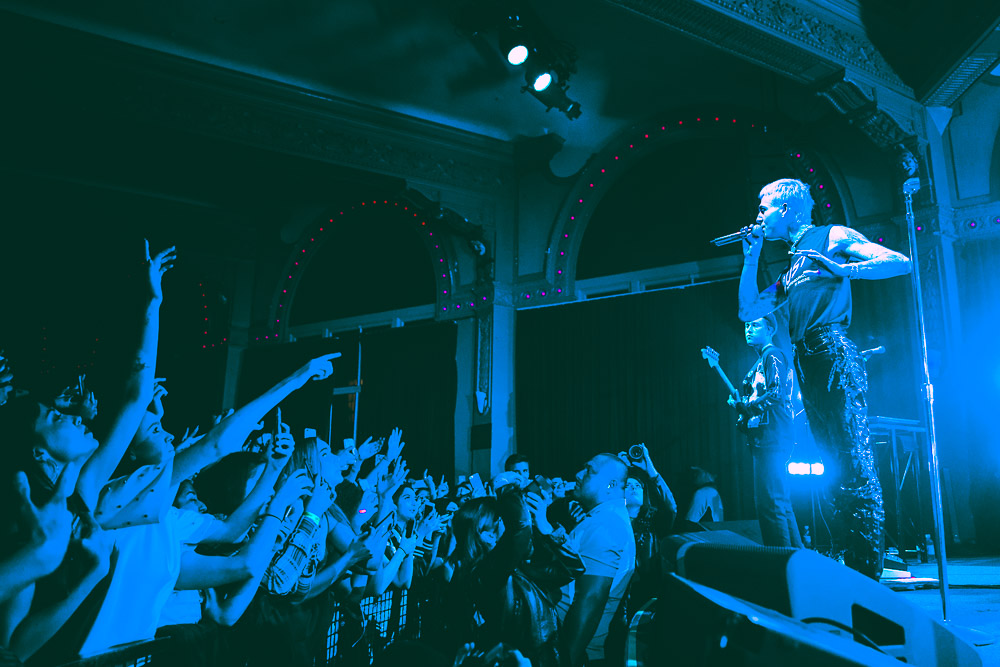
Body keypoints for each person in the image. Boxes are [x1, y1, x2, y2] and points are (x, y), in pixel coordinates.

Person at [738, 177, 911, 579]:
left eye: (763, 209)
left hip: (833, 351)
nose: (758, 217)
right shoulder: (792, 264)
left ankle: (868, 573)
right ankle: (853, 569)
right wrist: (751, 257)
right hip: (807, 361)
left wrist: (845, 266)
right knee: (834, 468)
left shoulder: (830, 235)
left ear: (787, 208)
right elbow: (749, 309)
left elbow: (897, 261)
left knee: (853, 462)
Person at [545, 454, 635, 667]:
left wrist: (564, 660)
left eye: (589, 470)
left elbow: (591, 599)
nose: (578, 474)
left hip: (578, 654)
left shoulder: (607, 524)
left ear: (611, 485)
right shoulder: (601, 518)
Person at [728, 315, 803, 548]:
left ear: (770, 328)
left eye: (755, 325)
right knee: (778, 501)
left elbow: (777, 393)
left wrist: (746, 407)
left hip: (774, 437)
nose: (748, 330)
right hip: (765, 438)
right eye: (746, 326)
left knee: (771, 503)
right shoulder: (762, 360)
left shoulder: (773, 355)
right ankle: (796, 557)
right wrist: (742, 410)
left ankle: (782, 560)